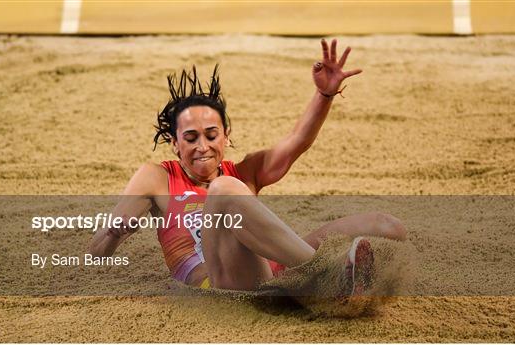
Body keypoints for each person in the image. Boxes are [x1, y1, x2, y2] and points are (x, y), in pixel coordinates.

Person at [89, 39, 406, 294]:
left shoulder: (245, 172)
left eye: (211, 135)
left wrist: (324, 94)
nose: (203, 146)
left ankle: (319, 280)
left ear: (226, 136)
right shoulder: (158, 177)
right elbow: (95, 254)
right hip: (217, 283)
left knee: (387, 226)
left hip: (269, 273)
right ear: (174, 143)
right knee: (224, 190)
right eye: (190, 138)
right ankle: (325, 275)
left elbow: (296, 139)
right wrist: (114, 234)